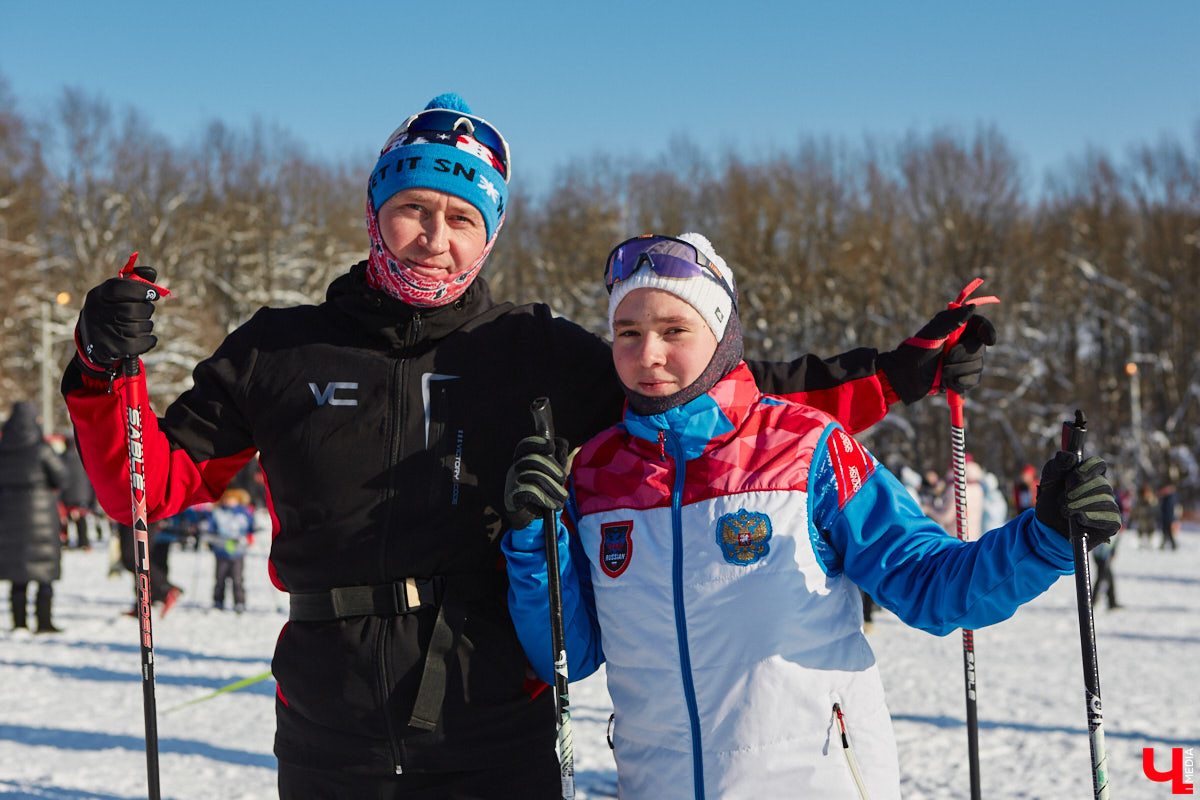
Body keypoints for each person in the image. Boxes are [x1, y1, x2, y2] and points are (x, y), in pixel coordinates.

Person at [61, 93, 996, 797]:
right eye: (414, 210)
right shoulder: (280, 346)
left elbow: (719, 396)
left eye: (462, 219)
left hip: (493, 706)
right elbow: (147, 489)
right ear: (377, 211)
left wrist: (903, 371)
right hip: (327, 705)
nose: (434, 238)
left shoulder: (538, 351)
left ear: (490, 232)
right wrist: (103, 369)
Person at [501, 232, 1122, 799]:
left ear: (719, 333)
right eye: (628, 333)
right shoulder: (595, 472)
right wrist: (533, 538)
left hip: (815, 780)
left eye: (674, 330)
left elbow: (935, 588)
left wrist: (1043, 535)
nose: (649, 354)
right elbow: (570, 655)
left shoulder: (806, 447)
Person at [0, 402, 69, 633]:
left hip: (8, 516)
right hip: (41, 518)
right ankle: (44, 622)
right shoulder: (42, 449)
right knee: (43, 571)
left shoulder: (2, 447)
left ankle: (19, 623)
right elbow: (62, 477)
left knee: (17, 571)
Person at [205, 488, 255, 612]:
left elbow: (250, 526)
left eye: (231, 499)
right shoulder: (217, 512)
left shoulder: (244, 513)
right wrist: (209, 539)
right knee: (220, 578)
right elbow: (211, 527)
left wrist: (252, 532)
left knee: (237, 579)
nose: (228, 501)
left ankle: (239, 602)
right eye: (226, 499)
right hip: (221, 550)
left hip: (238, 551)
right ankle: (218, 600)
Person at [58, 435, 98, 550]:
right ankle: (83, 541)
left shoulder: (61, 459)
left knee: (66, 520)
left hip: (67, 495)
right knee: (81, 520)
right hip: (82, 495)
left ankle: (65, 541)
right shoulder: (82, 458)